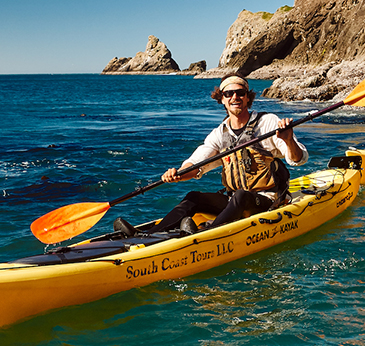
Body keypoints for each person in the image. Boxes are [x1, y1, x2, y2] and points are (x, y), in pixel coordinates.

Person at [115, 75, 308, 236]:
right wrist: (178, 175)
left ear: (248, 98)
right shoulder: (220, 133)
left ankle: (206, 234)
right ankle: (149, 235)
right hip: (234, 201)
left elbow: (299, 159)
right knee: (194, 197)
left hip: (265, 200)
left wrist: (289, 140)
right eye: (228, 94)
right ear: (222, 99)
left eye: (240, 93)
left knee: (240, 197)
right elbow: (197, 164)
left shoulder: (267, 123)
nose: (235, 97)